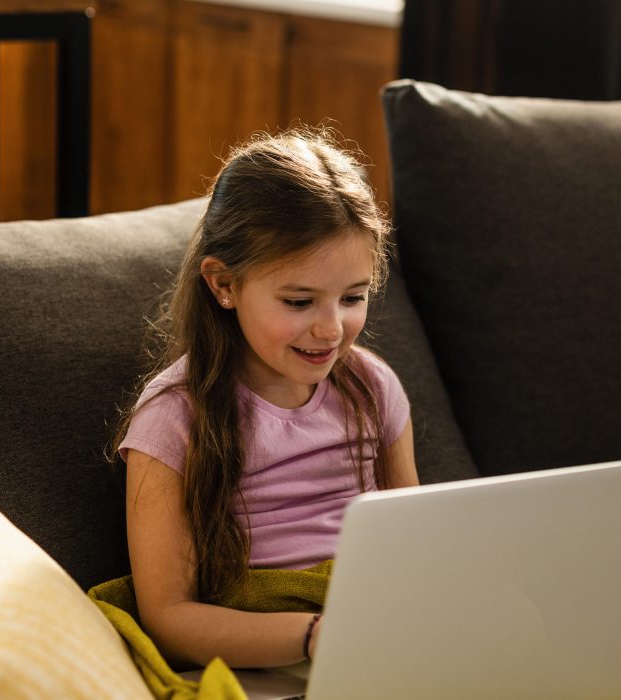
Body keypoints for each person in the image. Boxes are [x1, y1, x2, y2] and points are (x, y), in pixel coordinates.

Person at [115, 129, 419, 672]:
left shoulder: (373, 388)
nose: (331, 329)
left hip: (383, 632)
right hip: (269, 654)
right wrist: (313, 637)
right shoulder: (172, 418)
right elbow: (167, 616)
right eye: (300, 301)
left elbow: (420, 539)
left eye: (354, 297)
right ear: (223, 284)